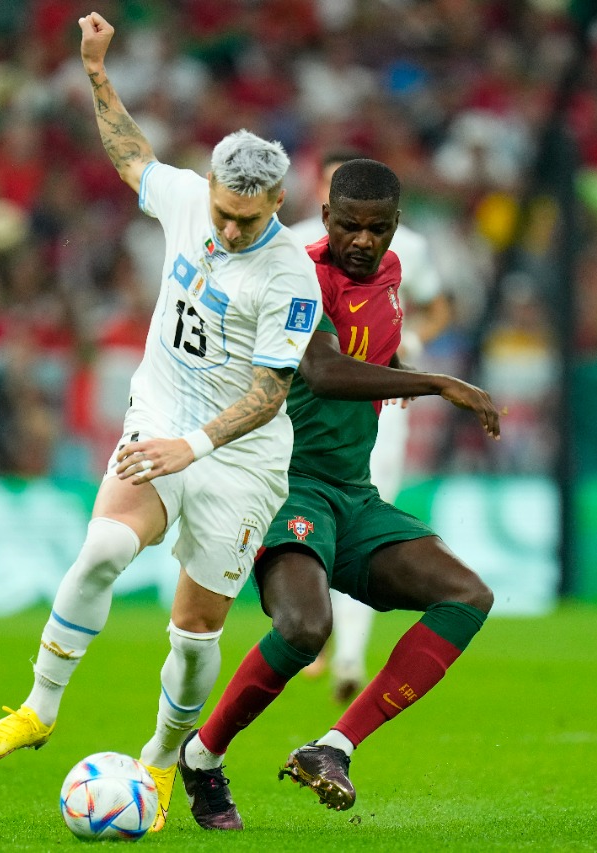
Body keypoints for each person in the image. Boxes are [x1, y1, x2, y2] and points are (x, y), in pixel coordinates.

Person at [0, 11, 323, 835]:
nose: (228, 228)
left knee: (194, 633)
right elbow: (131, 155)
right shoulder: (190, 199)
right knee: (102, 548)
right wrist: (96, 71)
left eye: (247, 218)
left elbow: (269, 393)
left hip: (239, 459)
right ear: (213, 186)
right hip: (159, 414)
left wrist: (188, 449)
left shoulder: (289, 277)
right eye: (223, 211)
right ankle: (38, 707)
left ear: (277, 201)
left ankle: (160, 759)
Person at [174, 159, 499, 830]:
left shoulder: (393, 275)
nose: (362, 240)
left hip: (353, 492)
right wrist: (438, 382)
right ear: (326, 218)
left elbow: (370, 346)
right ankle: (202, 757)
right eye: (349, 225)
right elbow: (322, 371)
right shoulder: (298, 275)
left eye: (377, 229)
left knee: (467, 596)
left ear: (395, 227)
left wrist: (397, 363)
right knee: (304, 627)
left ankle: (333, 747)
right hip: (285, 484)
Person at [288, 149, 453, 702]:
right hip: (308, 416)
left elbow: (436, 306)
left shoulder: (407, 251)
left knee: (361, 517)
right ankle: (314, 629)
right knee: (319, 522)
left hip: (379, 405)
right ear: (324, 199)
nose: (363, 234)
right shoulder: (296, 248)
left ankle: (348, 656)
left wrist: (409, 346)